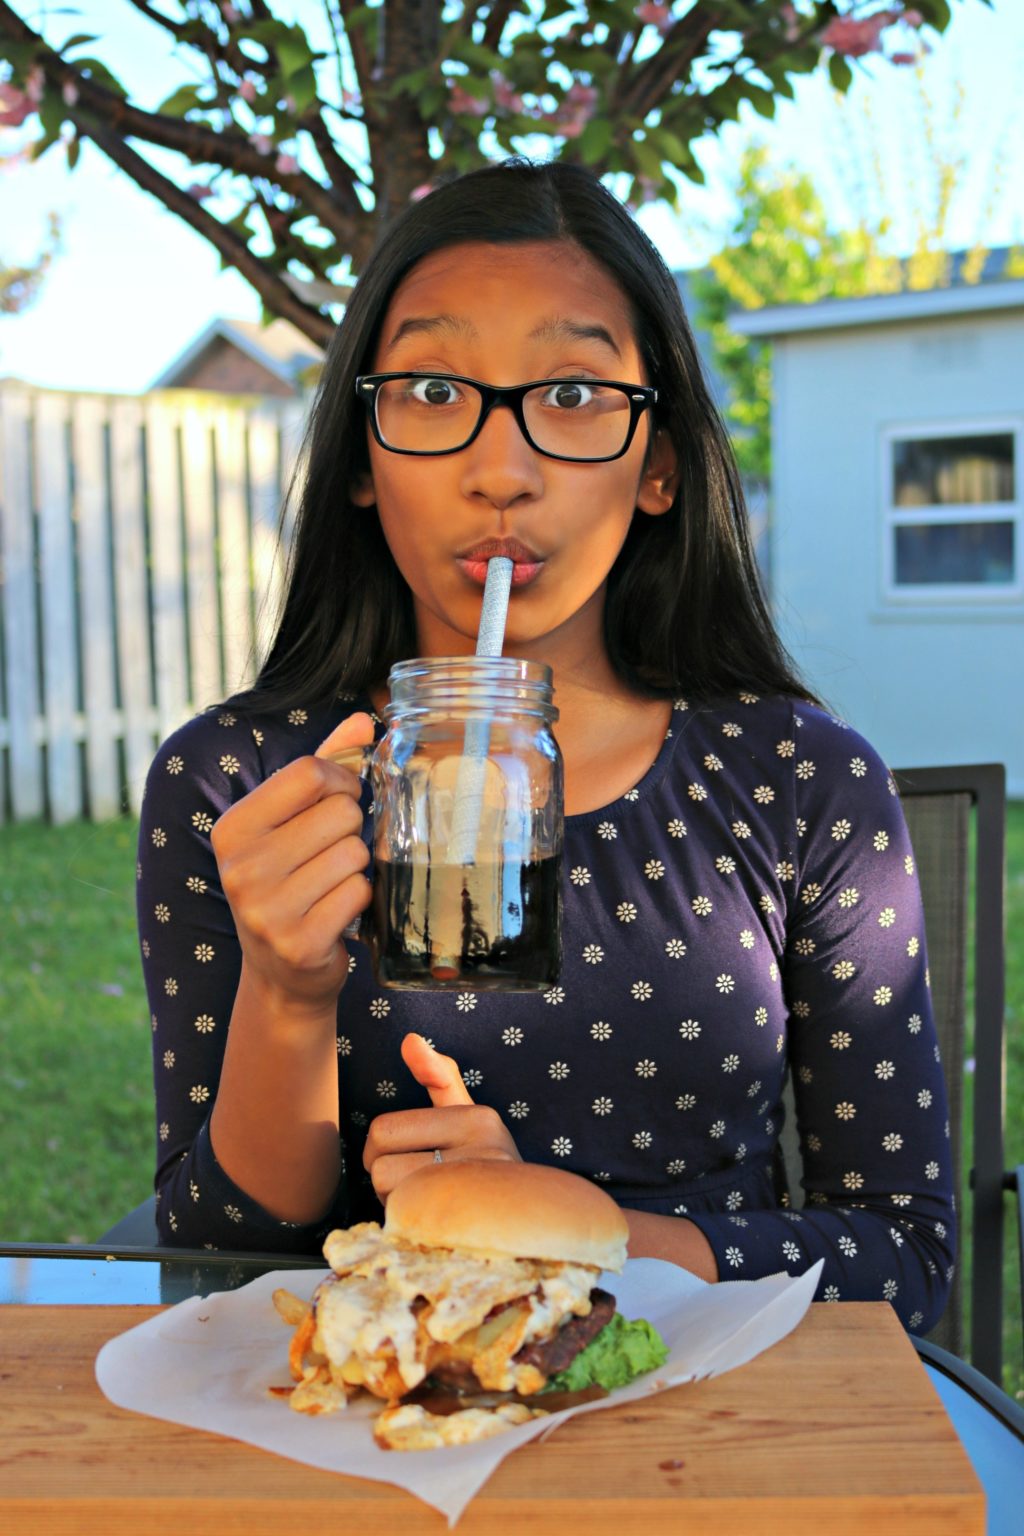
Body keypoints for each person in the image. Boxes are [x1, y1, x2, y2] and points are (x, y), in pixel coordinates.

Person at [137, 157, 955, 1333]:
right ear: (362, 458)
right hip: (363, 1420)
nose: (500, 471)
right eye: (430, 389)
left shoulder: (801, 780)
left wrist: (581, 1229)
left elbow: (905, 1255)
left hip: (713, 1425)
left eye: (573, 395)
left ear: (658, 463)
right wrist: (287, 990)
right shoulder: (239, 786)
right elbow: (213, 1258)